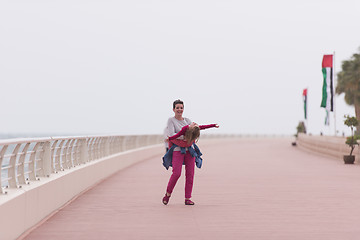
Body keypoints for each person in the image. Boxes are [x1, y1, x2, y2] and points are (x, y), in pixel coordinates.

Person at [162, 99, 219, 206]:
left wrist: (212, 125)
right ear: (173, 109)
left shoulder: (187, 120)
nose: (179, 110)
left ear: (183, 109)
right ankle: (167, 194)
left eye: (181, 108)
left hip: (190, 150)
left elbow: (196, 129)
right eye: (177, 108)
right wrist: (185, 131)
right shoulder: (171, 120)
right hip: (178, 150)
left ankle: (187, 198)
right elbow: (171, 135)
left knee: (190, 174)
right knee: (176, 173)